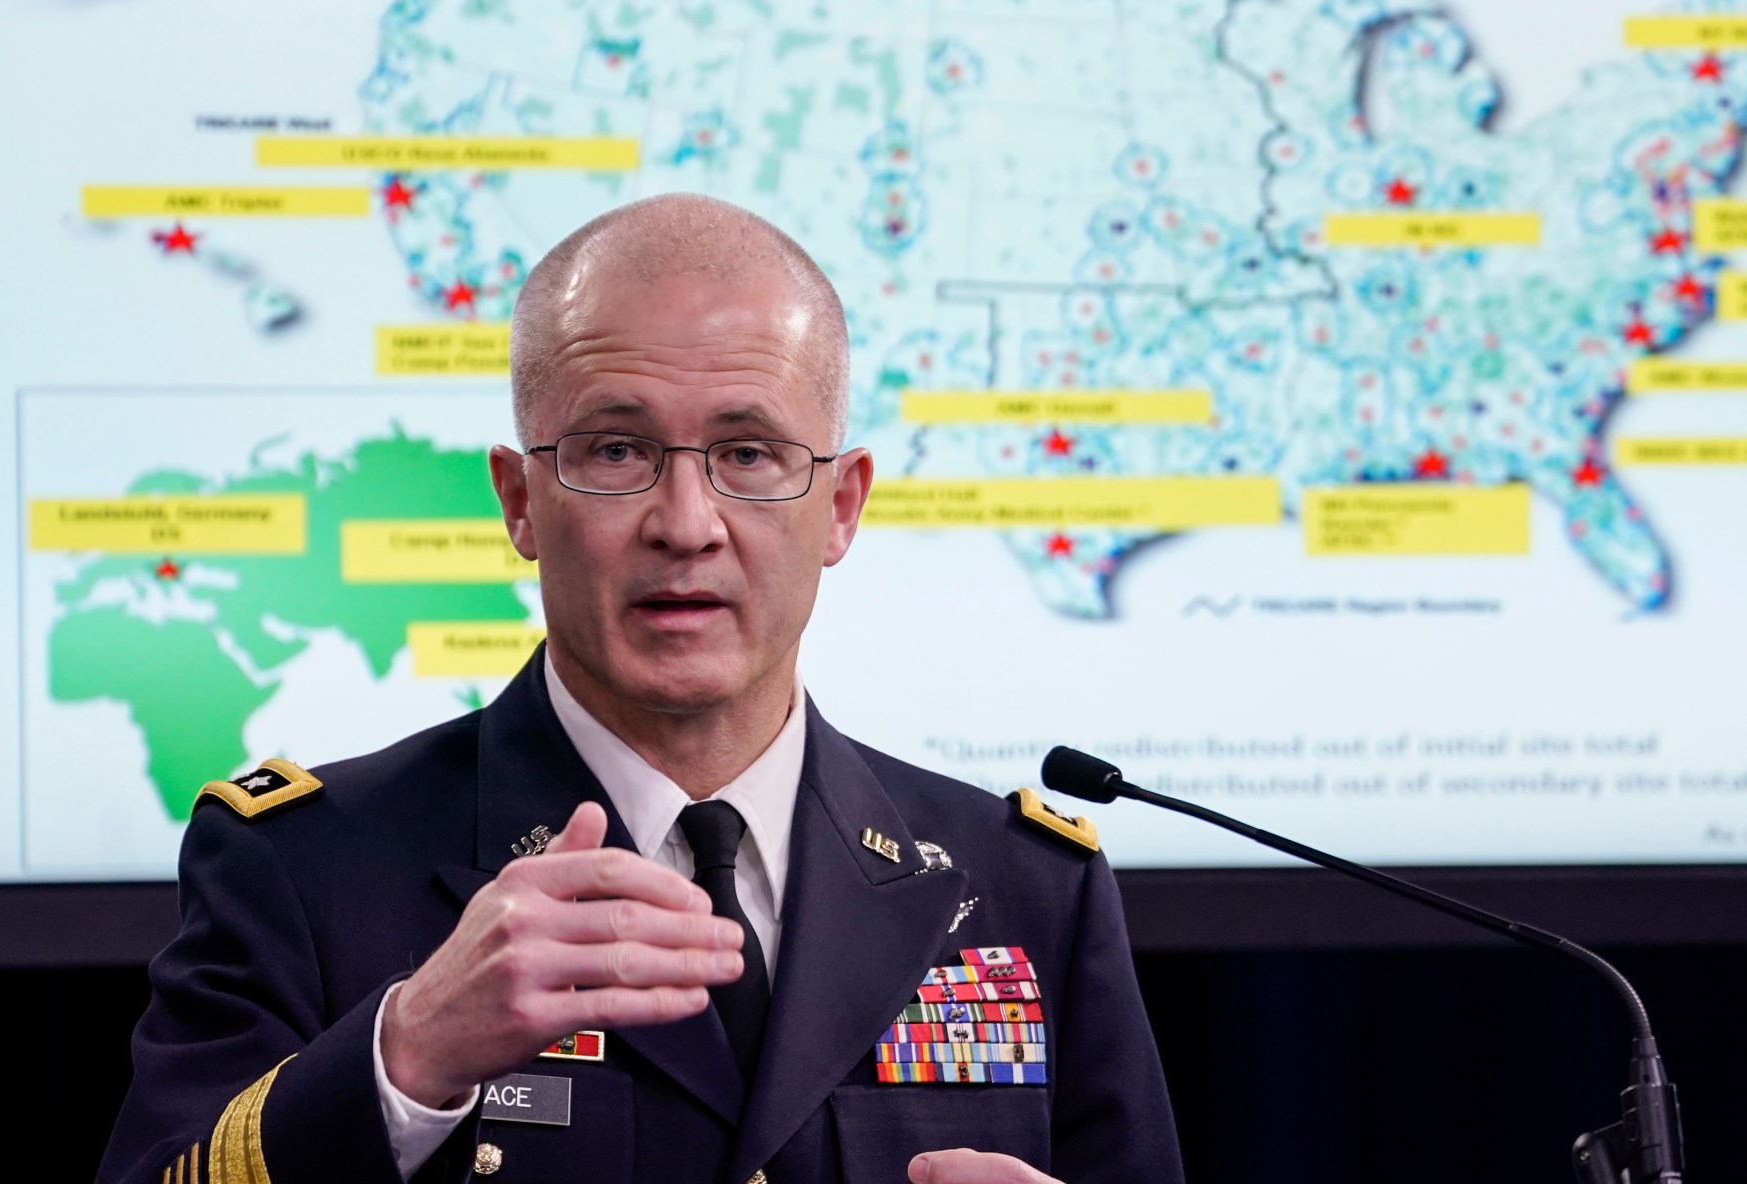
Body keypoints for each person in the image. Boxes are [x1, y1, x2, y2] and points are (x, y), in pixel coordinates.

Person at [95, 194, 1183, 1184]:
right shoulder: (304, 866)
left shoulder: (1028, 886)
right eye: (616, 451)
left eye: (749, 454)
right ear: (519, 502)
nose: (685, 523)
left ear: (841, 506)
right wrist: (407, 1053)